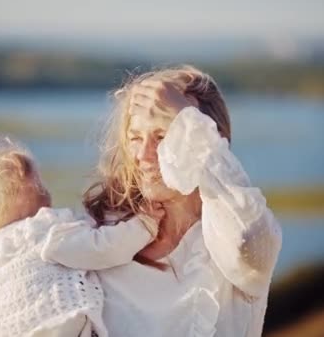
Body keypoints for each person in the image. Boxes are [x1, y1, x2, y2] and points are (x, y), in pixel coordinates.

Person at [75, 64, 283, 336]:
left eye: (162, 136)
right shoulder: (102, 231)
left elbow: (249, 237)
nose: (143, 155)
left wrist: (185, 118)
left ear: (208, 139)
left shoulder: (233, 237)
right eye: (135, 138)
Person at [0, 133, 162, 337]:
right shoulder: (45, 234)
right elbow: (104, 248)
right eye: (39, 184)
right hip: (58, 327)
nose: (47, 191)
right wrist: (145, 224)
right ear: (25, 189)